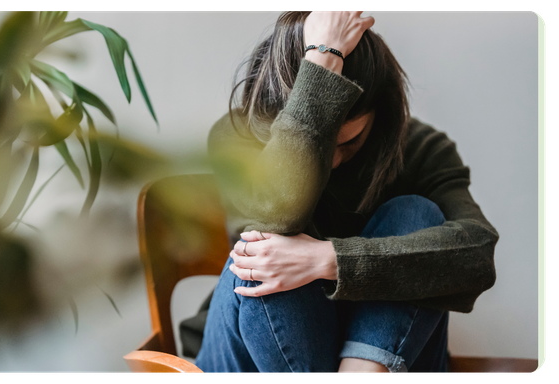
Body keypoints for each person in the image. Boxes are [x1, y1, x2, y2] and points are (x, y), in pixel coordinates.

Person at [181, 9, 498, 374]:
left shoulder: (419, 147)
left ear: (381, 113)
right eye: (321, 141)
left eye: (348, 142)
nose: (331, 160)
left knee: (416, 213)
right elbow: (271, 218)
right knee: (262, 248)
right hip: (250, 356)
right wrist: (323, 58)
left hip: (374, 360)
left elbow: (476, 254)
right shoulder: (237, 135)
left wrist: (328, 260)